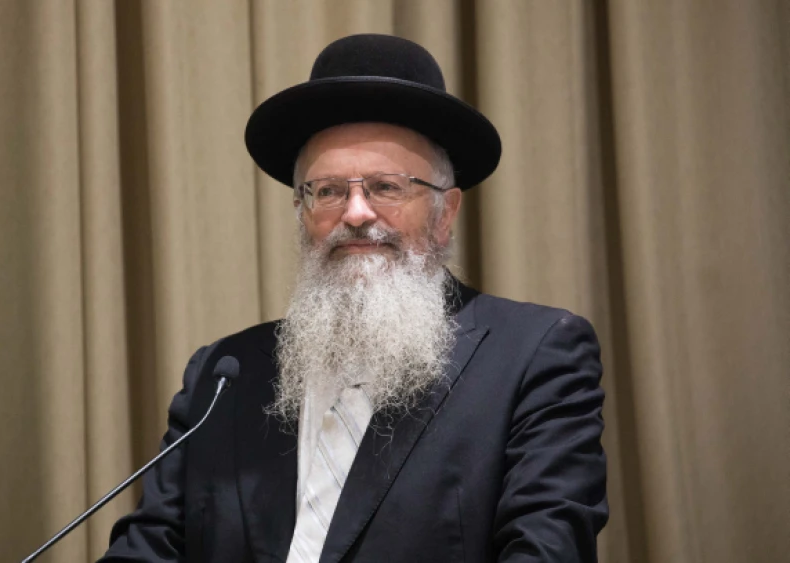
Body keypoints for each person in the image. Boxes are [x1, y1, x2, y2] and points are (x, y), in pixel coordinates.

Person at [101, 34, 608, 563]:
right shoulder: (223, 377)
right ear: (303, 214)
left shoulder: (534, 356)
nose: (357, 213)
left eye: (387, 187)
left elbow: (547, 549)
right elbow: (149, 549)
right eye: (329, 191)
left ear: (446, 213)